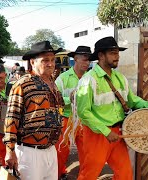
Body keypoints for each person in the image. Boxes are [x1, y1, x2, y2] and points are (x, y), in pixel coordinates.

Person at [76, 36, 148, 180]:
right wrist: (106, 131)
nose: (117, 57)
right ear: (101, 55)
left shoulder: (120, 78)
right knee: (89, 175)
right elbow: (83, 113)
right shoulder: (88, 80)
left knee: (125, 174)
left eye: (118, 53)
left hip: (119, 133)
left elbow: (132, 101)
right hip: (97, 135)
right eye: (113, 53)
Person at [3, 41, 64, 180]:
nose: (50, 64)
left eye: (53, 60)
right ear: (32, 62)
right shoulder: (22, 84)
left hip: (50, 150)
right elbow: (12, 118)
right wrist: (10, 151)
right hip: (30, 153)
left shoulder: (53, 84)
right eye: (45, 60)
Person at [55, 46, 92, 179]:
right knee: (61, 150)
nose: (87, 63)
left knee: (86, 152)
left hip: (84, 120)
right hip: (66, 119)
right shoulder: (62, 78)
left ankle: (84, 176)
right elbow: (54, 98)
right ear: (75, 58)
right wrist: (70, 99)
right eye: (84, 59)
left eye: (89, 61)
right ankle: (59, 174)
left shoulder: (91, 78)